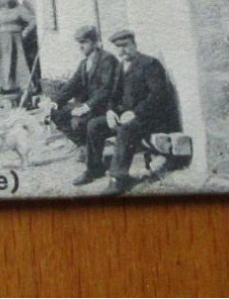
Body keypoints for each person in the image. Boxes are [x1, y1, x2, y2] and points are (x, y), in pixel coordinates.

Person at [83, 28, 177, 195]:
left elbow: (158, 96)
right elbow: (114, 95)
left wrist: (136, 113)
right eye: (118, 47)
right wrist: (111, 111)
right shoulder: (121, 67)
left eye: (125, 46)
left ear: (134, 44)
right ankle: (94, 168)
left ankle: (119, 179)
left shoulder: (150, 64)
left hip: (151, 118)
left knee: (126, 129)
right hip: (128, 116)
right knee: (94, 125)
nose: (122, 51)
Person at [47, 24, 119, 153]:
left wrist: (86, 106)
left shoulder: (107, 60)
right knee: (55, 113)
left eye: (84, 42)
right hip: (89, 106)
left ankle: (91, 149)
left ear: (95, 42)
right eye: (79, 43)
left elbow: (107, 89)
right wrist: (55, 102)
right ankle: (83, 146)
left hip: (105, 107)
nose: (81, 46)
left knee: (78, 121)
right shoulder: (85, 63)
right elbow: (72, 85)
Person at [0, 0, 35, 94]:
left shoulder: (19, 9)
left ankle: (22, 86)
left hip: (15, 39)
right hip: (1, 40)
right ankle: (5, 86)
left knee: (17, 62)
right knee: (3, 63)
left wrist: (25, 32)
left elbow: (33, 21)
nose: (6, 0)